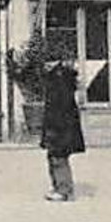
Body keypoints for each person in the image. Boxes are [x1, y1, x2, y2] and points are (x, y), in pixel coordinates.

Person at [40, 54, 85, 201]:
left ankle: (63, 190)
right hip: (61, 125)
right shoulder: (60, 77)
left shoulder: (58, 79)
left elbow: (60, 106)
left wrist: (54, 127)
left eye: (48, 61)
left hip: (59, 126)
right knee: (55, 157)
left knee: (58, 157)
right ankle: (59, 187)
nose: (45, 65)